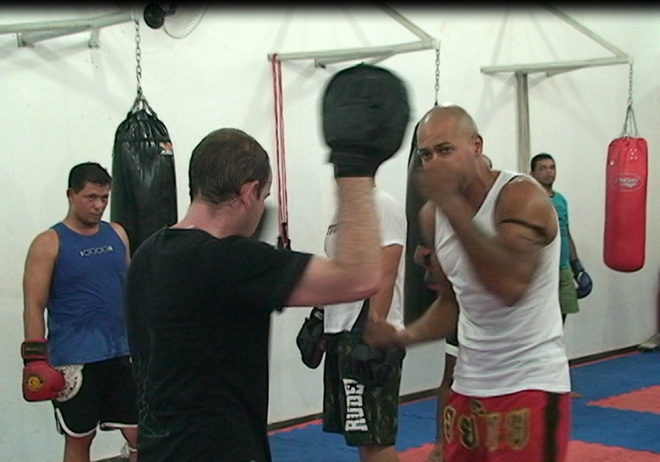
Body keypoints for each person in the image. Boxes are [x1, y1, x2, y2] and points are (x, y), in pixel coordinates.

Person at [124, 64, 409, 462]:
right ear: (248, 191)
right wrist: (354, 166)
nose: (262, 210)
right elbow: (360, 277)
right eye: (264, 197)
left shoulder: (147, 255)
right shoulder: (231, 262)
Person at [365, 104, 571, 462]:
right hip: (468, 387)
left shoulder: (521, 197)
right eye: (426, 155)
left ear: (476, 145)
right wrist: (404, 336)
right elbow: (452, 303)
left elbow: (509, 286)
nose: (435, 163)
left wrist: (448, 201)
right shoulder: (432, 216)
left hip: (531, 384)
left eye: (446, 150)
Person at [22, 162, 138, 462]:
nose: (98, 205)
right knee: (80, 439)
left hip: (121, 353)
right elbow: (34, 305)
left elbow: (129, 291)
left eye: (104, 197)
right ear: (71, 195)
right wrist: (34, 360)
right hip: (74, 360)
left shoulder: (117, 234)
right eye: (90, 197)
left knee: (142, 436)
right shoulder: (49, 243)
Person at [321, 180, 406, 462]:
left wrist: (374, 334)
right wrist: (321, 319)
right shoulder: (342, 212)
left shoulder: (383, 205)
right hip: (342, 333)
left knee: (375, 440)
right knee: (361, 434)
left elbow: (387, 272)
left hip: (367, 333)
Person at [415, 154, 492, 462]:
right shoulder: (443, 215)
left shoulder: (500, 215)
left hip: (494, 319)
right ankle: (440, 443)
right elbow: (419, 256)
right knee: (451, 377)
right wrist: (436, 260)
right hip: (461, 311)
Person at [529, 152, 592, 325]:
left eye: (552, 167)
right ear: (532, 173)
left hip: (563, 267)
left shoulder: (561, 199)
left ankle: (557, 352)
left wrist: (577, 265)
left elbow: (566, 232)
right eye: (543, 168)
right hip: (542, 270)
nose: (549, 172)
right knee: (542, 322)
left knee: (561, 318)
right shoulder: (528, 199)